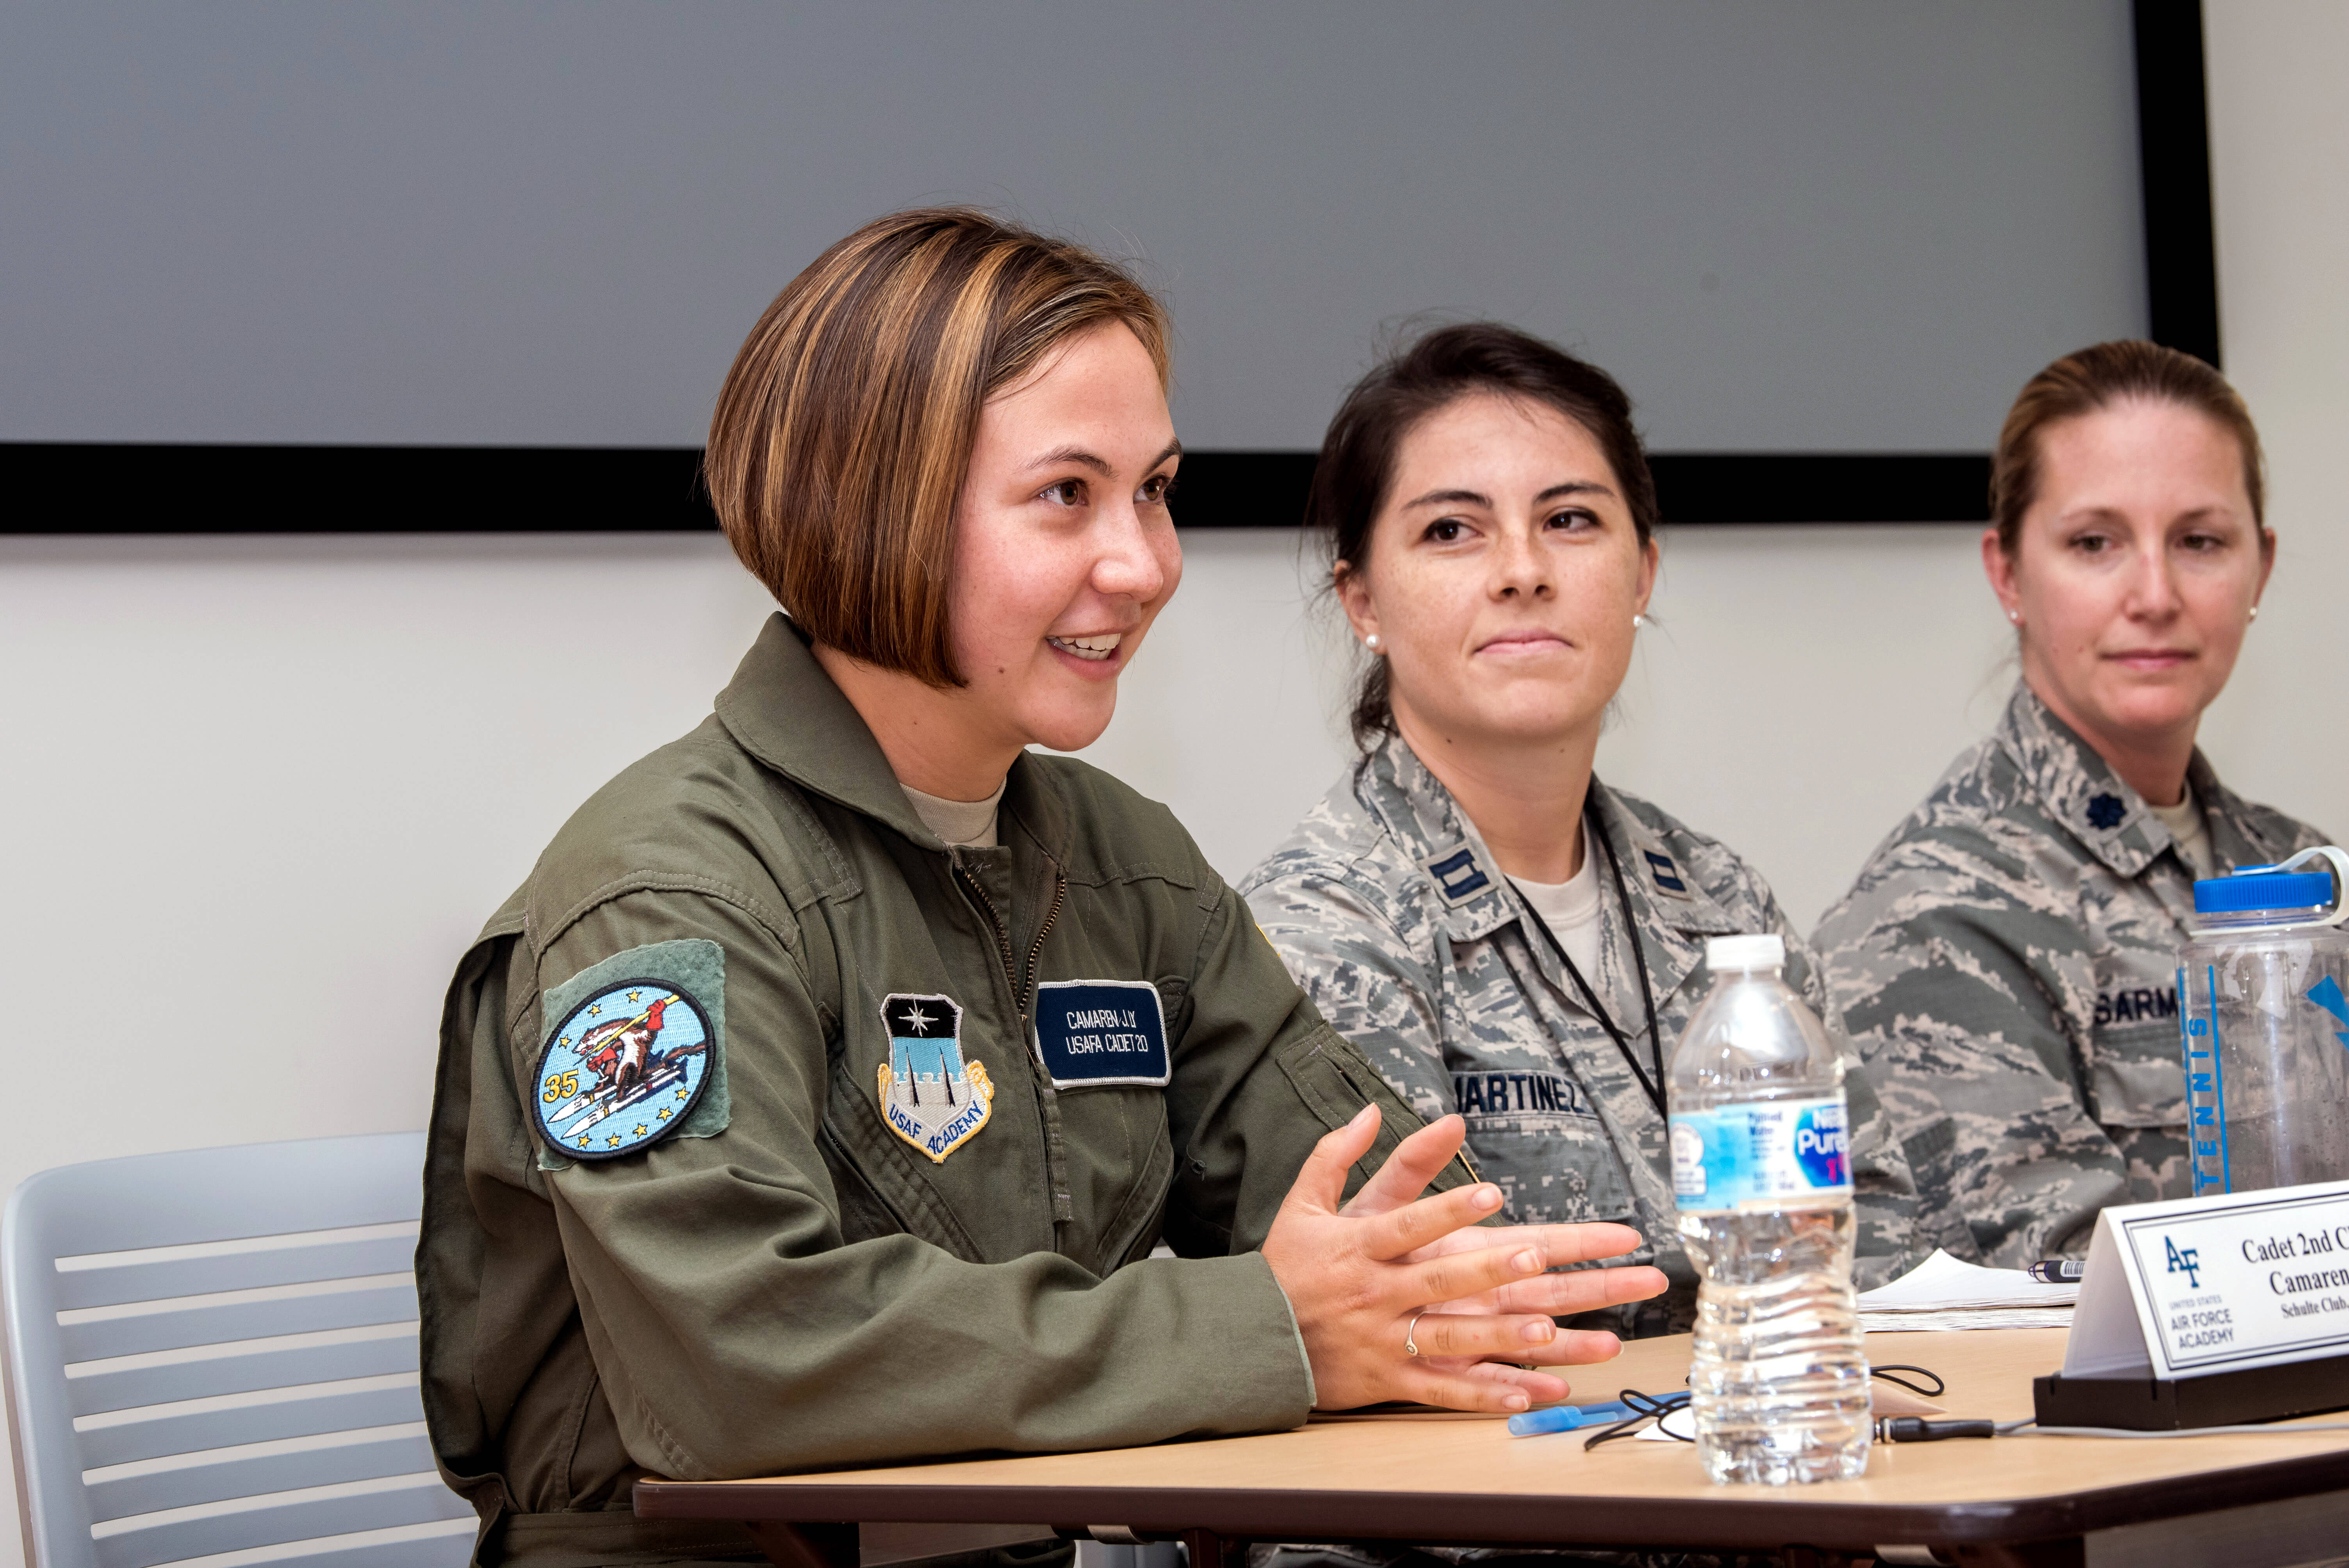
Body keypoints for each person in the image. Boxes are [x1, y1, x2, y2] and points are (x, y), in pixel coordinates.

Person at [416, 213, 1666, 1568]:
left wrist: (1457, 1296)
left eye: (1155, 488)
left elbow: (1396, 1237)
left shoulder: (1123, 865)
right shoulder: (668, 895)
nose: (1145, 564)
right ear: (870, 505)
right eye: (1067, 494)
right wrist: (1272, 1330)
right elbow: (743, 1362)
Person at [1240, 323, 1919, 1341]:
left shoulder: (1720, 900)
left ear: (1642, 575)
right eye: (1451, 532)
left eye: (1569, 519)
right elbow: (1433, 1313)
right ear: (1362, 599)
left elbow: (1882, 1250)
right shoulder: (1321, 927)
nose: (1523, 571)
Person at [1813, 340, 2328, 1269]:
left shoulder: (2306, 876)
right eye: (2093, 543)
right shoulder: (1929, 918)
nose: (2155, 594)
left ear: (2260, 567)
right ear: (2007, 573)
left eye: (2199, 541)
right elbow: (2072, 1283)